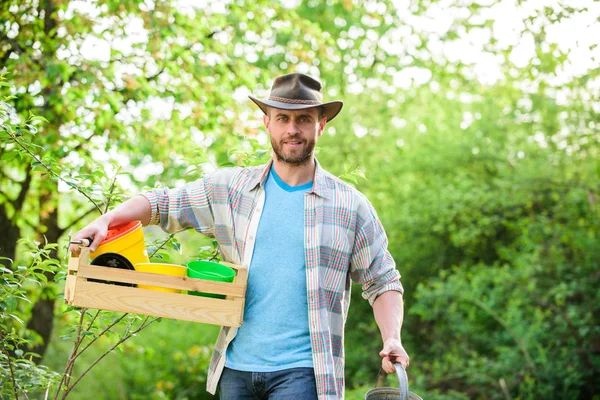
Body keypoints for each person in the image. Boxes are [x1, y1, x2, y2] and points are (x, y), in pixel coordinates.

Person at [70, 73, 409, 399]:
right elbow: (164, 203)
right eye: (282, 119)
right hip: (235, 369)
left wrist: (392, 337)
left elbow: (383, 280)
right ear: (267, 122)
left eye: (304, 119)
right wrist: (108, 218)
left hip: (305, 372)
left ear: (321, 125)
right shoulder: (231, 189)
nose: (292, 130)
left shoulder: (350, 206)